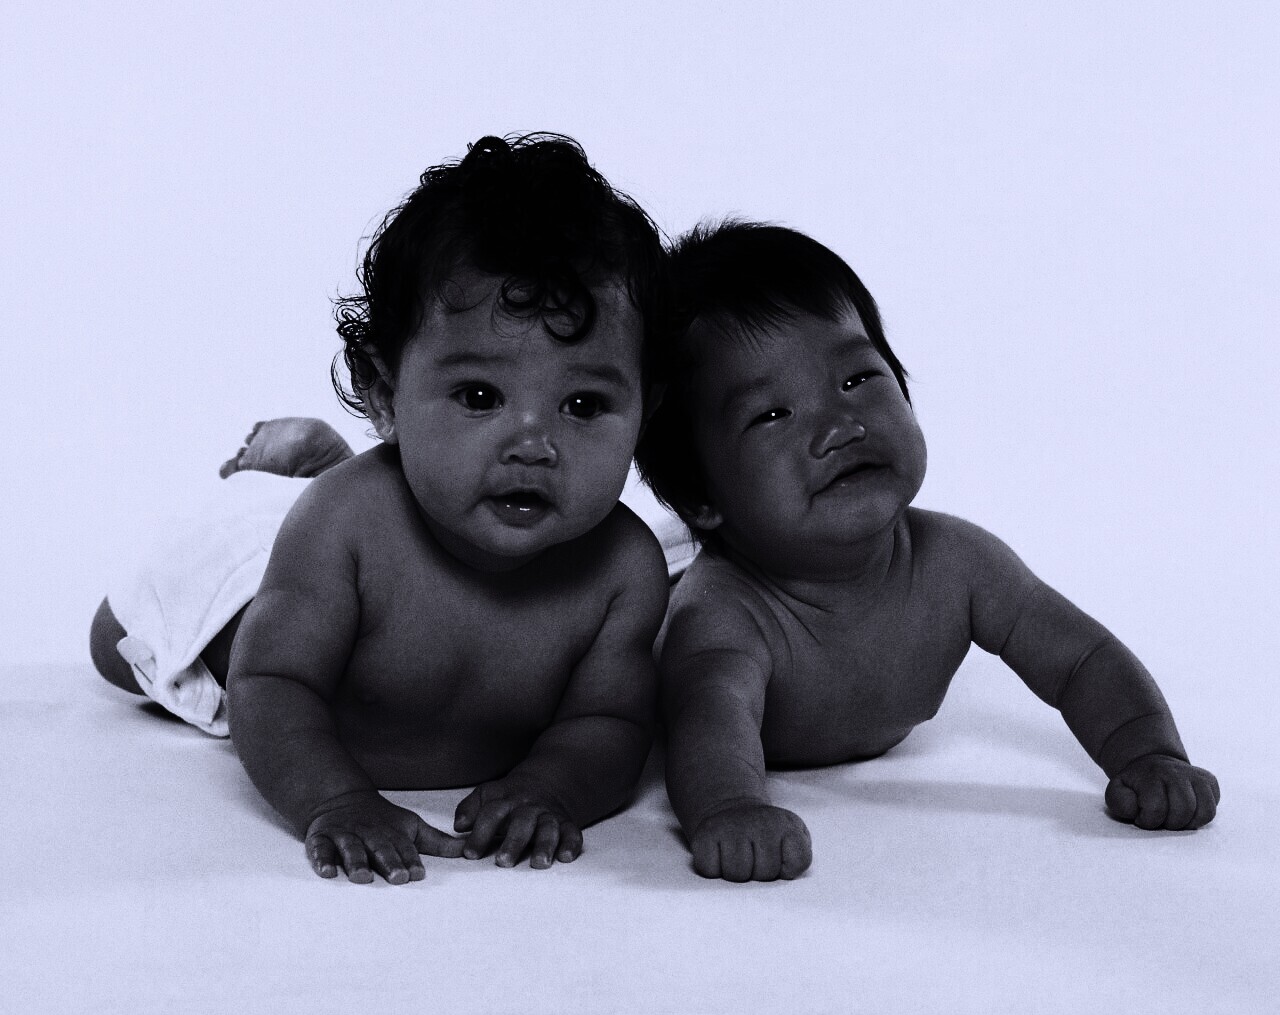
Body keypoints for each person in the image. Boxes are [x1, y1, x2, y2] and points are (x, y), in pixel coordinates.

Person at [90, 134, 671, 883]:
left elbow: (609, 720)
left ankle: (309, 461)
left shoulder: (624, 569)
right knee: (117, 643)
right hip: (242, 607)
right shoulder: (346, 527)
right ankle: (274, 479)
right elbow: (272, 685)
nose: (533, 445)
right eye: (480, 396)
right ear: (386, 394)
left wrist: (553, 785)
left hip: (389, 501)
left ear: (646, 412)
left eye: (583, 404)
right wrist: (336, 799)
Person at [634, 220, 1220, 883]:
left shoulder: (957, 564)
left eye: (858, 378)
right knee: (641, 583)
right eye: (772, 414)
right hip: (675, 574)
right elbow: (708, 722)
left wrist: (1148, 754)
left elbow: (1081, 659)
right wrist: (729, 808)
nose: (840, 427)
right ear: (700, 493)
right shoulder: (722, 617)